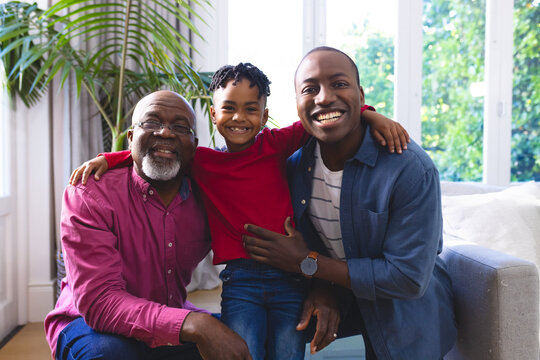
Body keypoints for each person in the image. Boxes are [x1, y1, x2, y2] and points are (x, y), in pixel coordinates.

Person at [69, 63, 410, 359]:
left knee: (280, 349)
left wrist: (369, 114)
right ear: (214, 114)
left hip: (286, 278)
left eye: (250, 110)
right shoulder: (199, 163)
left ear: (264, 115)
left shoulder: (271, 146)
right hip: (234, 282)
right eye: (229, 108)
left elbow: (323, 117)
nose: (239, 118)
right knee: (237, 350)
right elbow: (154, 151)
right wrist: (108, 158)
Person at [243, 46, 457, 359]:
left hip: (408, 328)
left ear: (360, 93)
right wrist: (321, 285)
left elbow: (408, 278)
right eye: (310, 89)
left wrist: (308, 263)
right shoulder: (293, 167)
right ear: (298, 104)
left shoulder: (409, 167)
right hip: (340, 305)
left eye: (339, 84)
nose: (324, 97)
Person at [44, 91, 252, 360]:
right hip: (88, 323)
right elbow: (100, 303)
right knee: (109, 356)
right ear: (130, 138)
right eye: (151, 123)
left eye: (180, 127)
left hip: (168, 315)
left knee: (252, 335)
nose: (165, 133)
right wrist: (196, 324)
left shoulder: (209, 192)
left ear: (194, 146)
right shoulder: (89, 194)